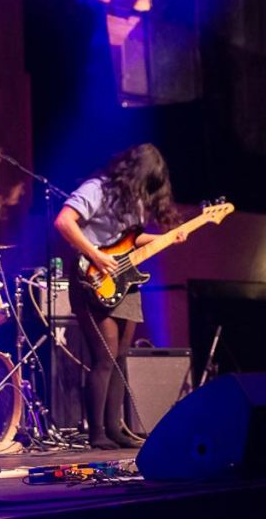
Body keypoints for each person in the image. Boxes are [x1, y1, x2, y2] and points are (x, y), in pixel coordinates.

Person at [54, 143, 182, 450]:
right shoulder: (96, 188)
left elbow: (131, 239)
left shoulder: (134, 201)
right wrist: (95, 254)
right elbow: (64, 221)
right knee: (105, 355)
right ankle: (96, 431)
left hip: (124, 281)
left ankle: (115, 427)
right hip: (93, 278)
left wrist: (167, 238)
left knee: (121, 356)